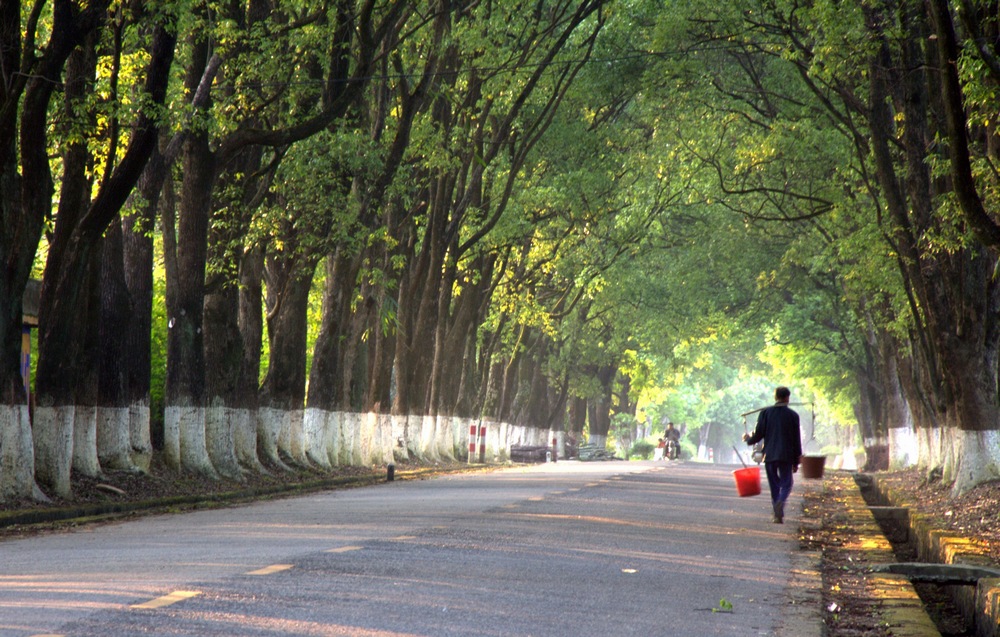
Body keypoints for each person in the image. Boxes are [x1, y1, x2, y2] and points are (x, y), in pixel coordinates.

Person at [743, 387, 802, 523]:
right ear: (787, 398)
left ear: (775, 398)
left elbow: (758, 434)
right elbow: (796, 440)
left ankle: (777, 512)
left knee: (774, 484)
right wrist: (796, 461)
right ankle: (780, 502)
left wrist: (748, 440)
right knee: (787, 484)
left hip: (769, 455)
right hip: (786, 456)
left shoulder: (766, 413)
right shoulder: (793, 416)